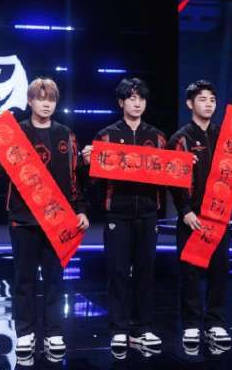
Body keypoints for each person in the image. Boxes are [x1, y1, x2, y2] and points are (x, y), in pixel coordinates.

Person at [0, 78, 89, 356]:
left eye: (51, 99)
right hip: (23, 218)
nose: (46, 104)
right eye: (41, 98)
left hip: (57, 219)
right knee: (24, 279)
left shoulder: (66, 134)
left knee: (55, 278)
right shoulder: (15, 132)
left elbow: (75, 178)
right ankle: (25, 332)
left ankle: (54, 332)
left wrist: (80, 209)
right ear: (30, 101)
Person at [168, 80, 232, 350]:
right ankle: (191, 324)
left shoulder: (226, 135)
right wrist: (184, 210)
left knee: (220, 270)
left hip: (219, 215)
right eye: (202, 99)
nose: (208, 104)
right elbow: (173, 180)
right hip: (192, 216)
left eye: (212, 100)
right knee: (190, 273)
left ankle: (215, 321)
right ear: (189, 104)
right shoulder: (180, 138)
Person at [82, 78, 165, 354]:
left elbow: (168, 174)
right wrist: (88, 162)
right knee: (117, 272)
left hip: (148, 213)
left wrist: (183, 167)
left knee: (145, 271)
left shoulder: (157, 137)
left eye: (141, 98)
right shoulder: (106, 136)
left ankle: (143, 327)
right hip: (117, 213)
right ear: (121, 102)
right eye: (131, 98)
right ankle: (119, 329)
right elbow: (92, 181)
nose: (137, 103)